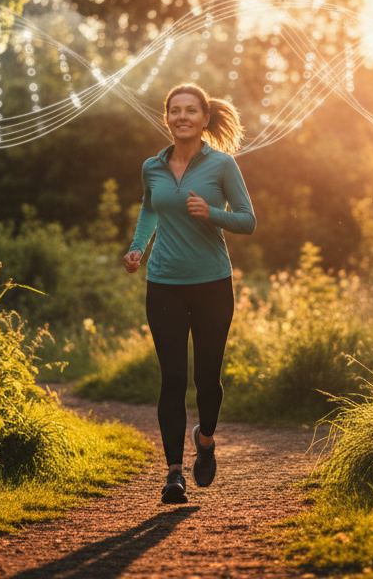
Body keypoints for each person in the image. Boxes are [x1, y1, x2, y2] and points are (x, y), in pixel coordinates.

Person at [122, 83, 254, 504]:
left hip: (213, 284)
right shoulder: (152, 166)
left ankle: (207, 439)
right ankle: (174, 473)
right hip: (164, 285)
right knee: (173, 378)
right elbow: (149, 208)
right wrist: (138, 247)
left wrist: (211, 213)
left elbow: (248, 220)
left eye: (191, 110)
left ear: (204, 118)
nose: (183, 117)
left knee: (207, 381)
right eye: (175, 110)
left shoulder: (222, 165)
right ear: (167, 118)